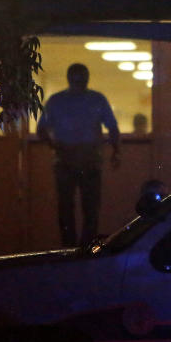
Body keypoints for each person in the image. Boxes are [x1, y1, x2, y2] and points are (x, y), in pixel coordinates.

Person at [37, 63, 121, 247]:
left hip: (66, 158)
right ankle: (86, 247)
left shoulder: (56, 101)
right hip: (88, 158)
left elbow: (41, 130)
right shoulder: (96, 99)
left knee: (67, 208)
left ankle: (69, 248)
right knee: (89, 208)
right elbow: (112, 128)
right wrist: (116, 151)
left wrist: (55, 146)